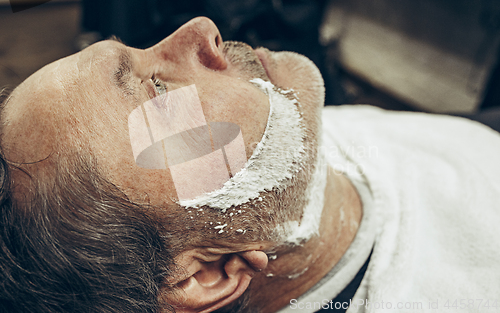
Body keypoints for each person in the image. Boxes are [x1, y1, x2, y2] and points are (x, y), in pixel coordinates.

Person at [0, 17, 499, 313]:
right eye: (161, 91)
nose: (199, 29)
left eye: (135, 49)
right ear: (203, 276)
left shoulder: (289, 145)